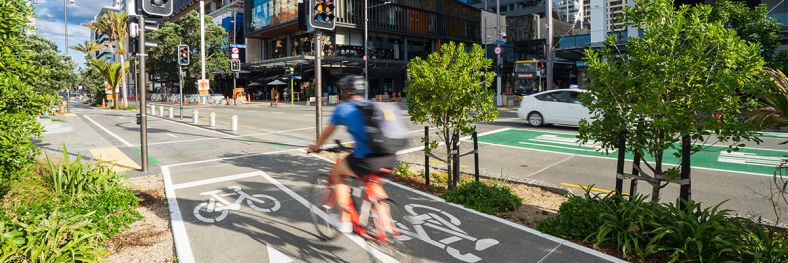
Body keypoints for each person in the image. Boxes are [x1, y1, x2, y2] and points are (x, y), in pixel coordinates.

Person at [308, 75, 397, 236]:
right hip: (389, 157)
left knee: (337, 172)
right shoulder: (373, 106)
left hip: (367, 161)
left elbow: (327, 133)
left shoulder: (344, 108)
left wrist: (316, 147)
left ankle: (344, 220)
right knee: (376, 185)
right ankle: (387, 226)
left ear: (346, 92)